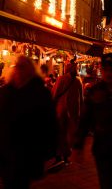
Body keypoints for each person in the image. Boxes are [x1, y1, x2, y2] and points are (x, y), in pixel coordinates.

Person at [74, 53, 112, 189]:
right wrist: (78, 144)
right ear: (101, 69)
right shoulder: (95, 91)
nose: (108, 73)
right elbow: (85, 118)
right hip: (103, 147)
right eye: (105, 69)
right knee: (106, 183)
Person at [0, 56, 57, 189]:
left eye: (23, 67)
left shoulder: (40, 93)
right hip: (6, 150)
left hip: (28, 151)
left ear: (31, 70)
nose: (19, 71)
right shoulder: (5, 91)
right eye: (17, 67)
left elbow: (49, 123)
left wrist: (48, 151)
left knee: (20, 183)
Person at [51, 61, 83, 165]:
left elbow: (54, 94)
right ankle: (64, 155)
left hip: (62, 110)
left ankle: (60, 155)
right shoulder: (77, 81)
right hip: (71, 111)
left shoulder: (63, 79)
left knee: (62, 133)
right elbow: (81, 98)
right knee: (67, 133)